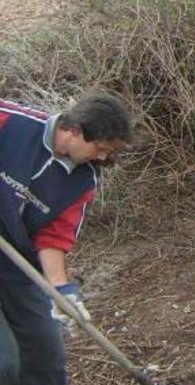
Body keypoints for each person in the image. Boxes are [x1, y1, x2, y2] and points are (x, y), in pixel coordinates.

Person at [0, 94, 133, 385]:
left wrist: (62, 291)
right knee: (4, 365)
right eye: (99, 148)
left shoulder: (83, 180)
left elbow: (53, 236)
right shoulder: (13, 123)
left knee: (46, 361)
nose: (102, 157)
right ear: (75, 129)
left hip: (17, 266)